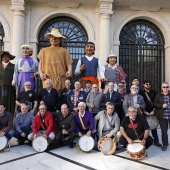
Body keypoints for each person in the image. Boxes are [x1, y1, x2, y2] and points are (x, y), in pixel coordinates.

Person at [38, 28, 72, 93]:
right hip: (47, 79)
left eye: (56, 37)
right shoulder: (43, 51)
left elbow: (69, 63)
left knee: (60, 99)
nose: (53, 39)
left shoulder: (64, 51)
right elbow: (40, 65)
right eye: (52, 37)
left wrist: (69, 71)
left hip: (61, 79)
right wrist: (41, 73)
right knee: (48, 98)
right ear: (49, 38)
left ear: (60, 39)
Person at [139, 80, 162, 147]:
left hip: (152, 112)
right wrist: (144, 111)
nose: (148, 85)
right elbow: (139, 103)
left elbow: (156, 102)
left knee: (153, 127)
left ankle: (156, 141)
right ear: (143, 85)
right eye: (147, 84)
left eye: (149, 84)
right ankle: (143, 141)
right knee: (143, 128)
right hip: (143, 112)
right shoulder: (140, 93)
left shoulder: (154, 93)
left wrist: (153, 111)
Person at [154, 82, 170, 151]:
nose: (165, 88)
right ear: (161, 88)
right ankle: (165, 144)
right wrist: (161, 106)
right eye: (164, 87)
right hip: (162, 116)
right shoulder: (158, 95)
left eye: (167, 87)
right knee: (164, 132)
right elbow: (155, 104)